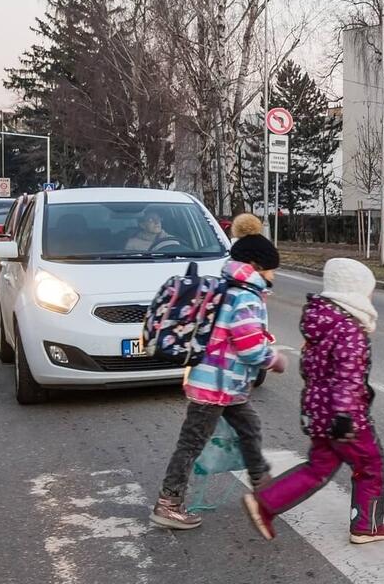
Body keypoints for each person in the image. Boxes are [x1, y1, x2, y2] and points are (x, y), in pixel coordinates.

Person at [243, 258, 384, 543]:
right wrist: (344, 415)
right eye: (368, 290)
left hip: (319, 412)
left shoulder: (322, 324)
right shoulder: (350, 330)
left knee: (318, 467)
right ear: (354, 291)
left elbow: (311, 370)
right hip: (346, 418)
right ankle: (367, 525)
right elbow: (348, 377)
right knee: (371, 465)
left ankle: (265, 503)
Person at [150, 213, 288, 530]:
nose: (274, 276)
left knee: (250, 427)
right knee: (192, 443)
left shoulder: (227, 286)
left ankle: (263, 487)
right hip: (217, 387)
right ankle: (168, 503)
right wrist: (275, 360)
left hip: (227, 386)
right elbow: (250, 347)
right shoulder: (245, 297)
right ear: (255, 266)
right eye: (271, 269)